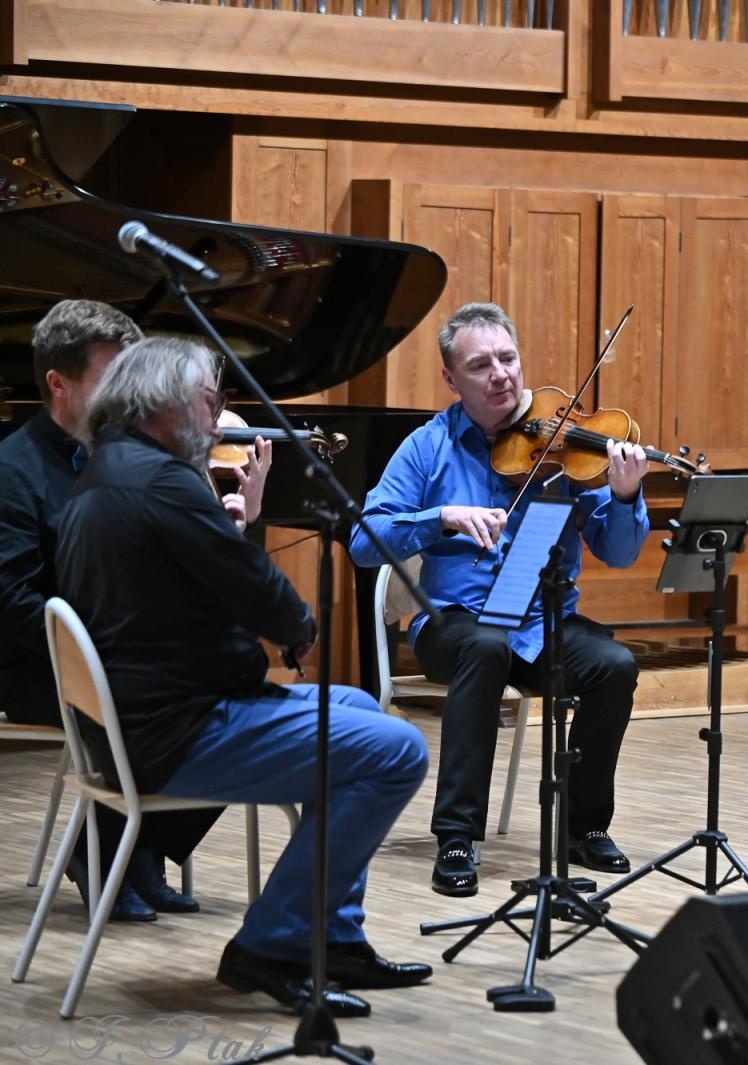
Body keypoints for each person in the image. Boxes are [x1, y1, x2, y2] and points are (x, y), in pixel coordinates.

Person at [55, 336, 432, 1016]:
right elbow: (265, 596)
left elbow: (204, 585)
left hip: (141, 722)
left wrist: (235, 521)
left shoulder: (104, 472)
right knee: (398, 750)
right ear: (167, 406)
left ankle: (334, 935)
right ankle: (272, 943)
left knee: (360, 707)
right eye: (211, 401)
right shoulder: (165, 483)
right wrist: (300, 625)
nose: (219, 416)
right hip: (181, 730)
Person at [350, 301, 650, 898]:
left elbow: (618, 553)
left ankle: (583, 829)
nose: (501, 375)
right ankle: (457, 836)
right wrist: (442, 518)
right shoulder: (427, 448)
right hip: (453, 626)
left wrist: (623, 497)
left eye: (508, 359)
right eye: (481, 364)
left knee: (615, 665)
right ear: (451, 379)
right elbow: (364, 541)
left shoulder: (565, 449)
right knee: (484, 649)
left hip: (543, 624)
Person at [0, 300, 245, 923]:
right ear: (58, 384)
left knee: (238, 687)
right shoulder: (12, 470)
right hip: (40, 666)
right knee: (154, 695)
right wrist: (107, 649)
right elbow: (12, 601)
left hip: (127, 656)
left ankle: (140, 846)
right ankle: (108, 850)